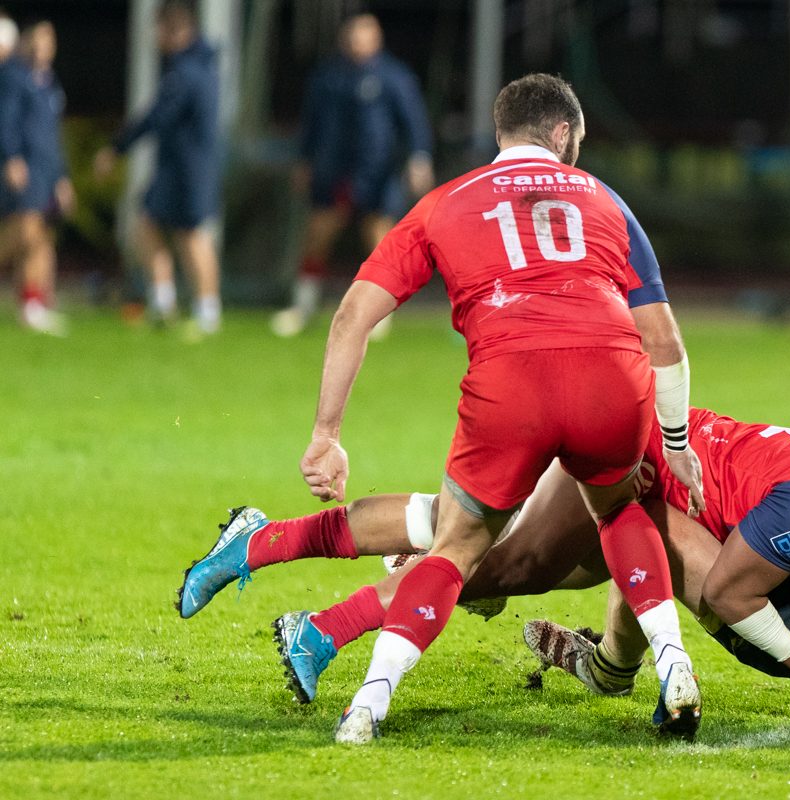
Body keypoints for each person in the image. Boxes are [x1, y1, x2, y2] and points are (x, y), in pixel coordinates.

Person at [179, 73, 708, 744]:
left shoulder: (446, 202)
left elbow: (351, 316)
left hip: (512, 389)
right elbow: (664, 340)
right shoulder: (605, 199)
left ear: (500, 133)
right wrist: (676, 443)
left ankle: (363, 693)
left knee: (453, 543)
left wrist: (326, 434)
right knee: (611, 513)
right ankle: (673, 660)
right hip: (611, 381)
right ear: (562, 133)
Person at [187, 386, 790, 748]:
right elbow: (725, 589)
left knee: (475, 540)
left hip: (666, 459)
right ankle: (319, 622)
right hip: (640, 451)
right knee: (492, 560)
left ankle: (265, 545)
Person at [270, 13, 434, 339]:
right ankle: (303, 306)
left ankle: (380, 314)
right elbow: (311, 123)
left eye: (365, 35)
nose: (358, 42)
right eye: (353, 36)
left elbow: (414, 121)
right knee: (318, 234)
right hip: (335, 171)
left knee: (380, 240)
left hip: (378, 171)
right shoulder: (328, 76)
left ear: (377, 39)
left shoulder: (394, 76)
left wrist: (419, 158)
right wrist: (305, 161)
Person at [94, 0, 221, 337]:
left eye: (159, 29)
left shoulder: (186, 72)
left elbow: (157, 116)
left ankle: (207, 312)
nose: (154, 37)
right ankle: (164, 305)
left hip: (188, 168)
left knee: (192, 234)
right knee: (151, 224)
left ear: (175, 30)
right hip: (182, 166)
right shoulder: (199, 65)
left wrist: (117, 146)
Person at [0, 20, 73, 336]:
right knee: (26, 231)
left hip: (47, 169)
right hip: (26, 165)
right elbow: (6, 120)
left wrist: (62, 177)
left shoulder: (50, 83)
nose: (44, 46)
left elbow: (55, 135)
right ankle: (31, 303)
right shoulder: (15, 76)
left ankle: (34, 304)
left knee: (42, 234)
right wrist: (12, 157)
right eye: (39, 39)